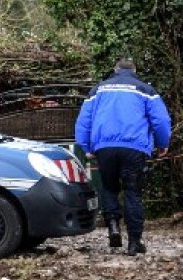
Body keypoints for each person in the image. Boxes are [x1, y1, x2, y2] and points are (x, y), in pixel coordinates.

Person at [74, 58, 172, 255]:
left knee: (109, 188)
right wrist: (162, 144)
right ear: (134, 71)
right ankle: (135, 242)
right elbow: (160, 120)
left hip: (105, 147)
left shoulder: (98, 90)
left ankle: (113, 227)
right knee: (132, 192)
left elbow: (83, 122)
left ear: (115, 70)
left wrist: (86, 147)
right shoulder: (146, 90)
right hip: (134, 148)